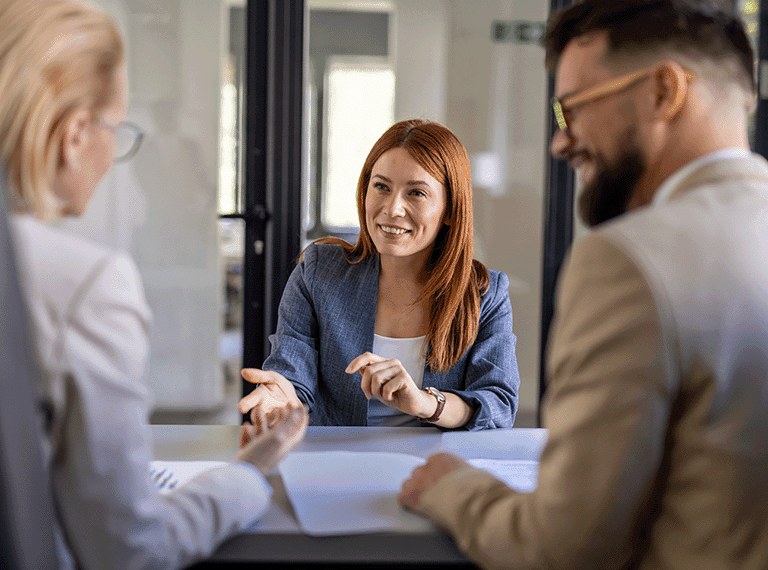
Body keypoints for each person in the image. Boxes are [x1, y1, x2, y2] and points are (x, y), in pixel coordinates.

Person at [398, 1, 768, 568]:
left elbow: (560, 547)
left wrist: (450, 486)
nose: (559, 142)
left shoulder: (628, 261)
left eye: (571, 109)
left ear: (664, 91)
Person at [0, 1, 307, 569]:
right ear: (74, 135)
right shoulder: (84, 286)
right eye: (116, 129)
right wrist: (248, 473)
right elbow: (130, 552)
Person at [238, 119, 520, 431]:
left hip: (435, 460)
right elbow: (292, 377)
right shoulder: (318, 272)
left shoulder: (484, 294)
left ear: (451, 210)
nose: (392, 208)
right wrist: (281, 398)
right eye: (381, 187)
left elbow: (498, 404)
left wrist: (425, 402)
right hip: (338, 458)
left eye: (416, 193)